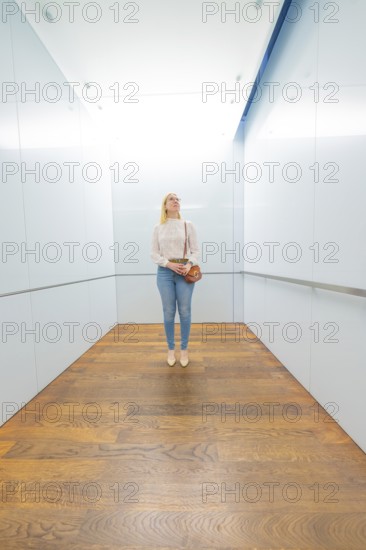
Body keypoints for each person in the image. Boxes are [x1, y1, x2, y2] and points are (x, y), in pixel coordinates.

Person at [151, 192, 200, 367]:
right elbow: (154, 253)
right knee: (168, 312)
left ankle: (184, 350)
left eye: (178, 199)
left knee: (185, 311)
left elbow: (196, 251)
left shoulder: (187, 225)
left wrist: (189, 264)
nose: (176, 201)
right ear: (165, 205)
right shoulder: (158, 227)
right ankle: (171, 350)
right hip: (164, 272)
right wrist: (168, 264)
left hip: (184, 271)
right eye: (171, 199)